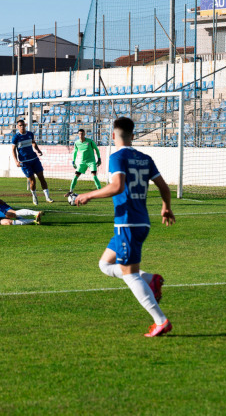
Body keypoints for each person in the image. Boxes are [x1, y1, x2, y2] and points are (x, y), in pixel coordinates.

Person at [74, 117, 174, 338]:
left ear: (112, 135)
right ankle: (151, 280)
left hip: (128, 223)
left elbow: (117, 186)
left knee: (130, 275)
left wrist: (88, 194)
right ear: (133, 135)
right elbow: (164, 187)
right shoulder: (145, 158)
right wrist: (166, 207)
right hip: (140, 222)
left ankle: (161, 321)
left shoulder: (117, 157)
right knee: (105, 264)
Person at [11, 119, 53, 205]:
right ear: (18, 127)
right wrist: (16, 161)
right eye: (20, 125)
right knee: (32, 181)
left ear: (25, 125)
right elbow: (13, 150)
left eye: (23, 125)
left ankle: (47, 197)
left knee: (42, 178)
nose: (22, 127)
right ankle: (34, 196)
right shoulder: (16, 137)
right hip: (25, 162)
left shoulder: (30, 134)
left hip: (34, 159)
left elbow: (33, 143)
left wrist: (38, 150)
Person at [67, 129, 102, 196]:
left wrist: (99, 159)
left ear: (84, 134)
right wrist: (73, 161)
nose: (81, 135)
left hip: (91, 161)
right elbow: (75, 152)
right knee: (75, 177)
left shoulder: (90, 141)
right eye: (79, 134)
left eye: (82, 134)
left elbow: (97, 149)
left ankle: (100, 192)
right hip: (82, 162)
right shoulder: (77, 143)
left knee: (94, 177)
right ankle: (71, 191)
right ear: (78, 135)